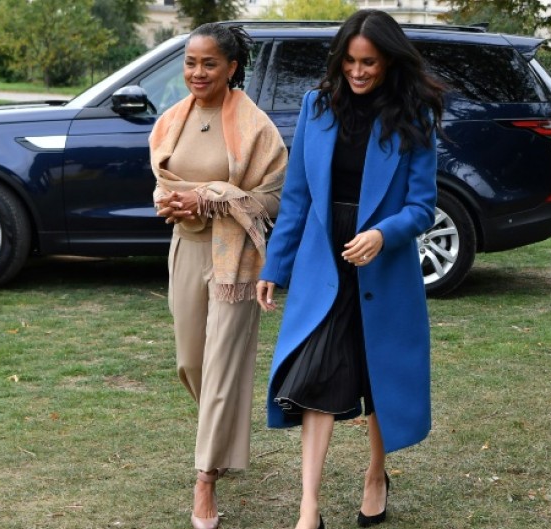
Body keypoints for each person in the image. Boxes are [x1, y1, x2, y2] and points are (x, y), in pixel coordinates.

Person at [255, 10, 445, 529]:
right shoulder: (318, 106)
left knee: (380, 376)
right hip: (325, 261)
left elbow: (422, 207)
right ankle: (308, 507)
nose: (358, 72)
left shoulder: (414, 114)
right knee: (315, 375)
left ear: (388, 63)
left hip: (382, 265)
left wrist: (383, 234)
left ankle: (375, 475)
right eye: (351, 62)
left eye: (370, 63)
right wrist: (277, 264)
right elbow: (296, 197)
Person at [149, 23, 286, 529]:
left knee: (225, 366)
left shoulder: (256, 127)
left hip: (237, 259)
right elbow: (163, 184)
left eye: (209, 63)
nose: (197, 72)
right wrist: (176, 203)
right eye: (190, 62)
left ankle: (205, 478)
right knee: (191, 363)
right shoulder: (170, 121)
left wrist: (210, 195)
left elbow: (272, 196)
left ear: (231, 67)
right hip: (186, 248)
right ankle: (221, 435)